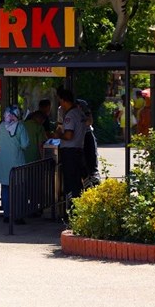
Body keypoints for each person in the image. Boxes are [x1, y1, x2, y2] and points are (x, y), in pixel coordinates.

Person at [0, 105, 30, 224]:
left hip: (3, 163)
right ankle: (18, 216)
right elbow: (25, 145)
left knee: (5, 189)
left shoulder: (0, 125)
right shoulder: (20, 126)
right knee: (18, 190)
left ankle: (6, 215)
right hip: (17, 163)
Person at [54, 87, 85, 215]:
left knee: (70, 183)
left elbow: (68, 135)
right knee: (77, 183)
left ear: (64, 101)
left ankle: (71, 212)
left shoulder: (70, 116)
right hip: (78, 150)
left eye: (60, 101)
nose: (60, 104)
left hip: (70, 152)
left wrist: (58, 135)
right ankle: (78, 209)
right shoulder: (79, 112)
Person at [78, 99, 102, 188]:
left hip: (87, 134)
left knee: (91, 158)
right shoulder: (62, 109)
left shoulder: (82, 104)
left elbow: (89, 122)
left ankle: (93, 178)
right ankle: (87, 181)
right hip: (77, 137)